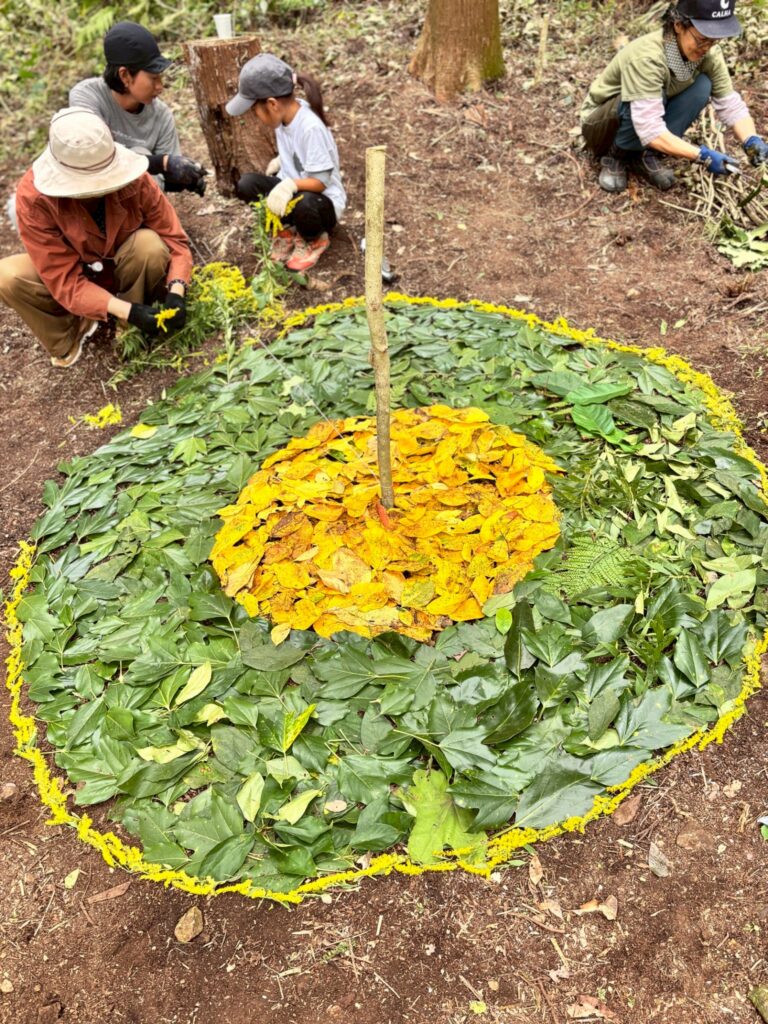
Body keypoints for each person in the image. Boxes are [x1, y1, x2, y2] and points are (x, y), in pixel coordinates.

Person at [0, 107, 193, 368]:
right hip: (78, 273)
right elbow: (63, 278)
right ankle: (72, 331)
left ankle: (130, 325)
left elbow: (175, 240)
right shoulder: (34, 198)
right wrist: (130, 311)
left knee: (149, 245)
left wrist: (177, 291)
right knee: (7, 276)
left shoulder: (135, 179)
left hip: (124, 266)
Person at [580, 0, 768, 193]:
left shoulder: (709, 54)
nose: (706, 47)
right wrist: (703, 156)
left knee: (702, 86)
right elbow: (649, 127)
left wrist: (751, 140)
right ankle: (616, 156)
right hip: (602, 125)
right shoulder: (648, 57)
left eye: (713, 41)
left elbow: (730, 104)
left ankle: (645, 154)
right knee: (649, 95)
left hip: (646, 118)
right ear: (678, 25)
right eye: (702, 39)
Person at [226, 53, 346, 273]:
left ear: (272, 104)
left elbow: (320, 182)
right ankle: (288, 230)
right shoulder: (285, 116)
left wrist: (290, 184)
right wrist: (282, 160)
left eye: (254, 110)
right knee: (247, 184)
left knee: (305, 204)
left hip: (320, 202)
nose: (255, 117)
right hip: (294, 193)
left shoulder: (310, 127)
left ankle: (313, 239)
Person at [69, 21, 207, 195]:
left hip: (138, 204)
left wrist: (183, 177)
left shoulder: (161, 116)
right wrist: (162, 162)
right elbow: (93, 158)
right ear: (125, 76)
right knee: (138, 152)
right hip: (92, 196)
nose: (160, 87)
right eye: (153, 78)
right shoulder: (87, 97)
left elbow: (163, 176)